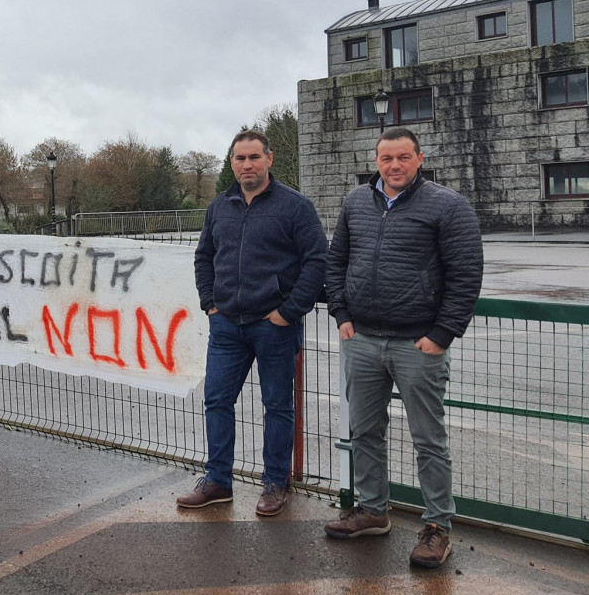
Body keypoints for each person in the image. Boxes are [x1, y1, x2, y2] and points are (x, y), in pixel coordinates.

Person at [323, 127, 482, 569]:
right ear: (376, 161)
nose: (394, 165)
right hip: (362, 339)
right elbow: (336, 261)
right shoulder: (356, 201)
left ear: (419, 159)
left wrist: (442, 334)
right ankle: (373, 510)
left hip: (418, 343)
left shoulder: (448, 205)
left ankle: (437, 527)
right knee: (364, 432)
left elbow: (466, 273)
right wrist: (342, 314)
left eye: (403, 157)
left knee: (428, 439)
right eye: (386, 158)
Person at [179, 130, 327, 516]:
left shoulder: (295, 206)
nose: (247, 165)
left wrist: (288, 311)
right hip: (227, 325)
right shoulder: (219, 206)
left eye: (254, 157)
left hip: (274, 325)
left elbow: (317, 261)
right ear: (232, 162)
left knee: (276, 406)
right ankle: (217, 481)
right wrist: (210, 304)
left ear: (269, 160)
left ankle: (275, 483)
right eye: (240, 158)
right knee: (217, 400)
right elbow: (204, 256)